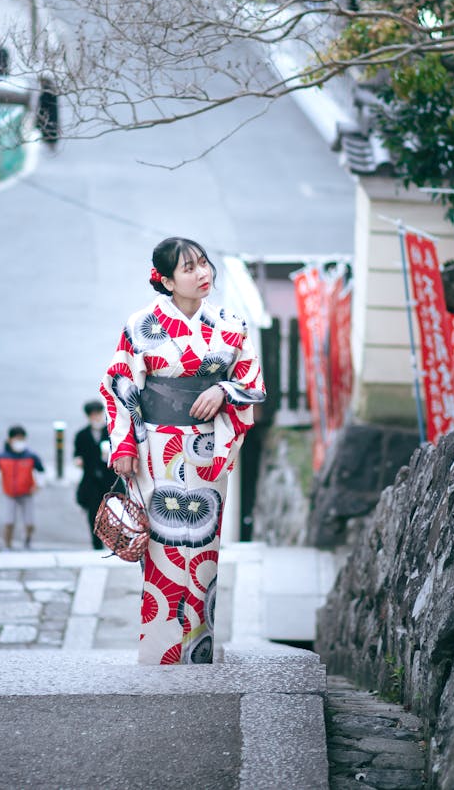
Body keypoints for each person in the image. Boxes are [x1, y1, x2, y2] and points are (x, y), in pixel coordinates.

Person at [100, 236, 265, 665]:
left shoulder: (230, 322)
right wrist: (123, 444)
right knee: (163, 549)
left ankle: (199, 648)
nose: (203, 273)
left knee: (205, 549)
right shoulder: (141, 325)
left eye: (205, 264)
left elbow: (253, 382)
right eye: (189, 268)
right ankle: (160, 653)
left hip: (208, 449)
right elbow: (120, 384)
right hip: (156, 447)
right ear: (167, 280)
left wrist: (223, 389)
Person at [0, 426, 45, 550]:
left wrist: (38, 486)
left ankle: (27, 541)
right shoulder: (1, 456)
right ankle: (7, 545)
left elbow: (41, 471)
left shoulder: (31, 456)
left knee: (29, 521)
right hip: (9, 493)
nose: (20, 442)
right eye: (17, 439)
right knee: (9, 521)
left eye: (22, 439)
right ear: (10, 439)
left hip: (27, 493)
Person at [73, 400, 113, 549]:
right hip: (91, 481)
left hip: (109, 479)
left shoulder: (111, 431)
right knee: (93, 514)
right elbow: (77, 454)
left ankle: (113, 542)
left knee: (113, 513)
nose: (96, 417)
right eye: (93, 415)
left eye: (98, 414)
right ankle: (96, 545)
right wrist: (78, 460)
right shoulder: (82, 435)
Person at [35, 76, 59, 148]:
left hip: (48, 113)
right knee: (48, 128)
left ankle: (51, 143)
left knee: (49, 128)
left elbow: (45, 102)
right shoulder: (48, 90)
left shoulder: (48, 90)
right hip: (48, 113)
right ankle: (50, 143)